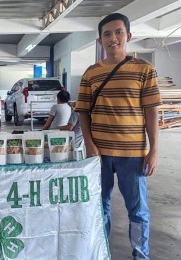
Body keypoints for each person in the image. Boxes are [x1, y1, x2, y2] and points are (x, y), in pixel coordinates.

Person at [75, 13, 161, 260]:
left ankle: (140, 255)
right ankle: (102, 253)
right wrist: (90, 144)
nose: (113, 38)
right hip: (99, 154)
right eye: (107, 34)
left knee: (138, 210)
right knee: (99, 208)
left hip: (133, 154)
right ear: (100, 41)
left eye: (118, 32)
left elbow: (151, 111)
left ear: (128, 36)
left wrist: (153, 150)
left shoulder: (144, 69)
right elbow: (82, 111)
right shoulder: (91, 73)